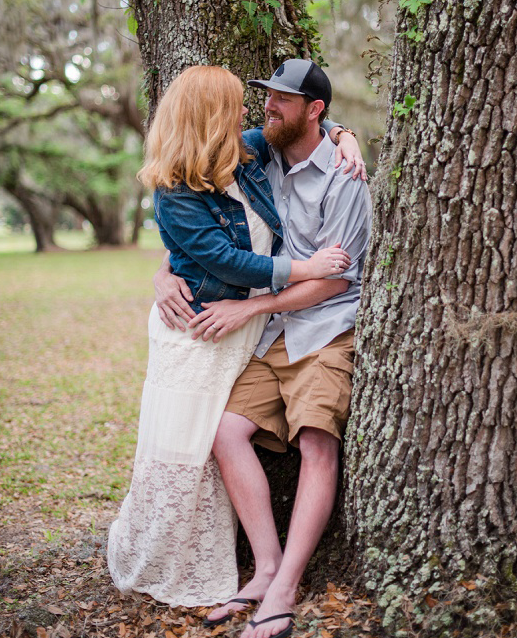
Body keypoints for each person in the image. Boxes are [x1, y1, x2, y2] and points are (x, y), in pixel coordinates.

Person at [106, 65, 353, 609]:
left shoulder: (245, 153)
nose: (249, 112)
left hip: (245, 328)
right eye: (238, 104)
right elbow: (223, 259)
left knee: (215, 442)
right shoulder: (174, 189)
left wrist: (344, 133)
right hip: (197, 330)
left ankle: (261, 572)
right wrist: (304, 268)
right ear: (210, 116)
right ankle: (168, 558)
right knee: (182, 447)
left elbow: (309, 122)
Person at [156, 59, 372, 638]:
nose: (267, 109)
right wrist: (163, 273)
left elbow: (334, 282)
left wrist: (249, 308)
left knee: (315, 443)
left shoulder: (347, 179)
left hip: (326, 327)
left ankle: (286, 590)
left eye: (280, 99)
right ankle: (267, 568)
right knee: (226, 432)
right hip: (276, 330)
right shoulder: (262, 156)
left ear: (315, 110)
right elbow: (198, 226)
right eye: (266, 97)